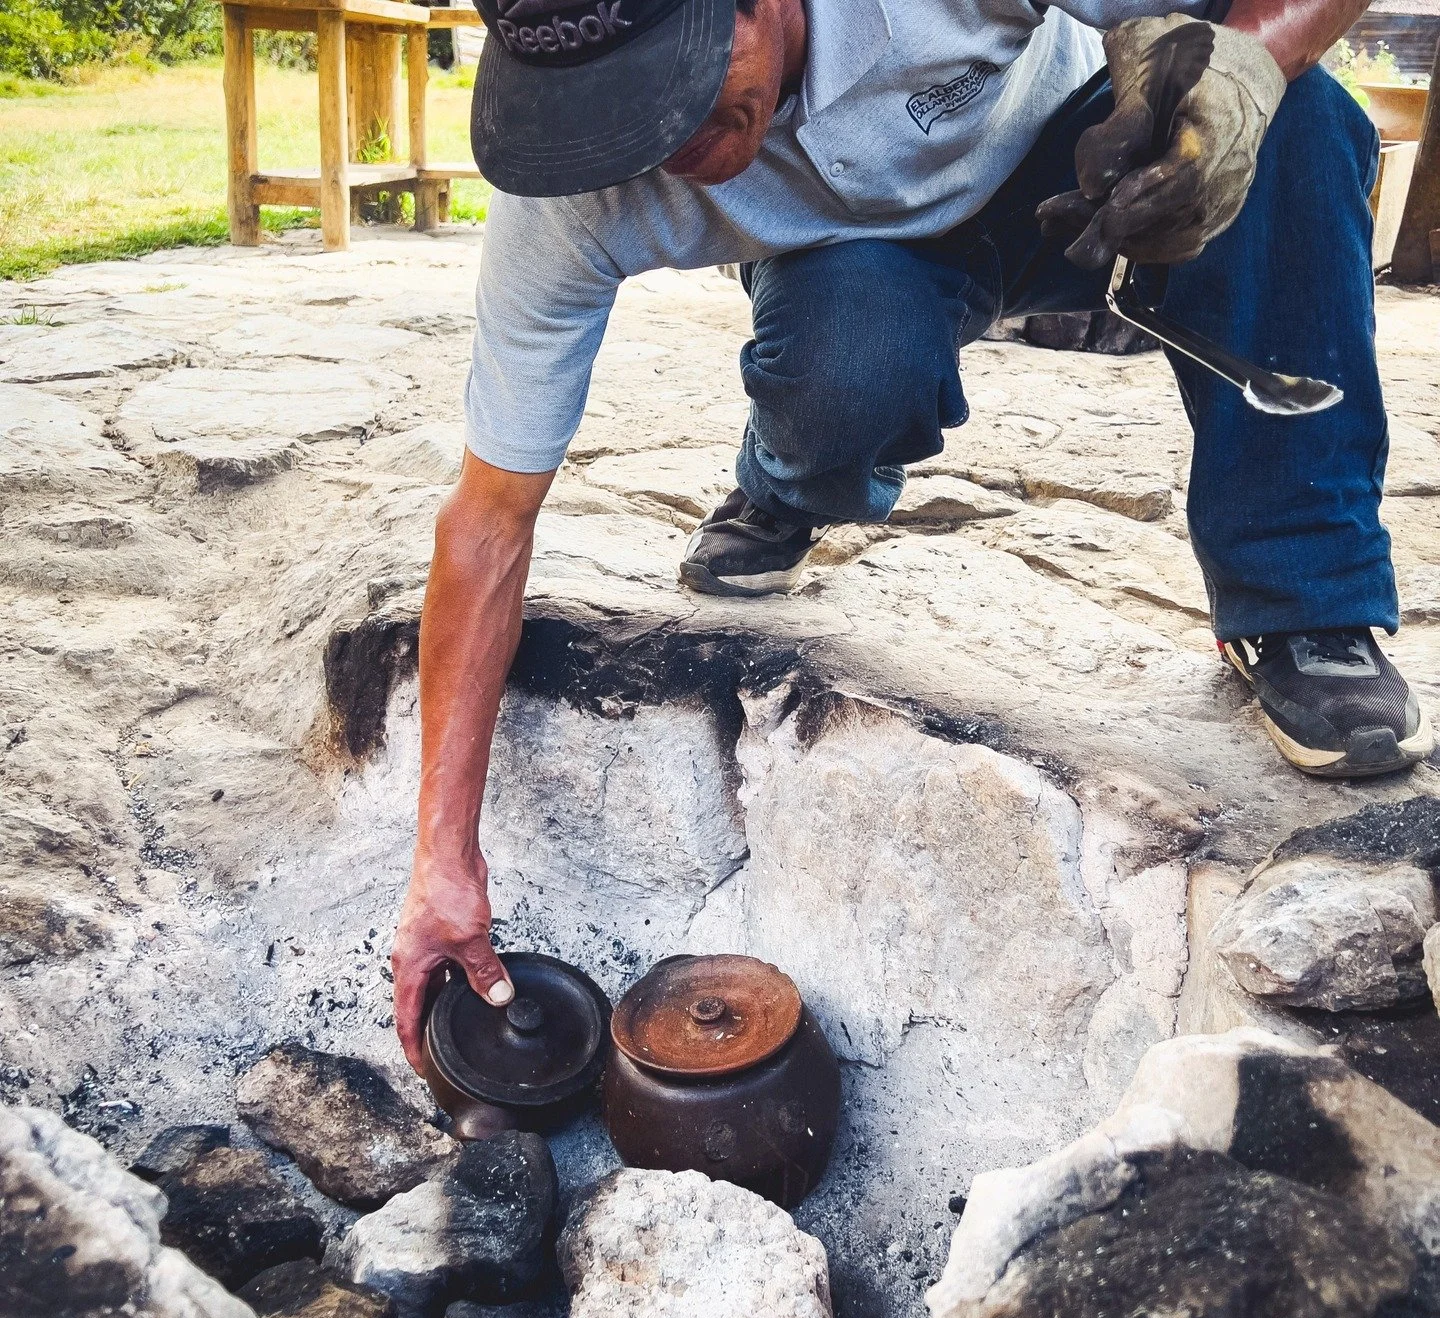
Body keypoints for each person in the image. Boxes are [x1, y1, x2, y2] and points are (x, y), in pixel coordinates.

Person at [389, 0, 1433, 1070]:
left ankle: (1308, 604)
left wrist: (1247, 69)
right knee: (848, 374)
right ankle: (794, 485)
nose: (666, 151)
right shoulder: (575, 187)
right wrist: (441, 860)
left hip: (1072, 171)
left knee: (1306, 115)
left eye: (679, 99)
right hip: (860, 259)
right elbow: (488, 526)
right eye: (617, 122)